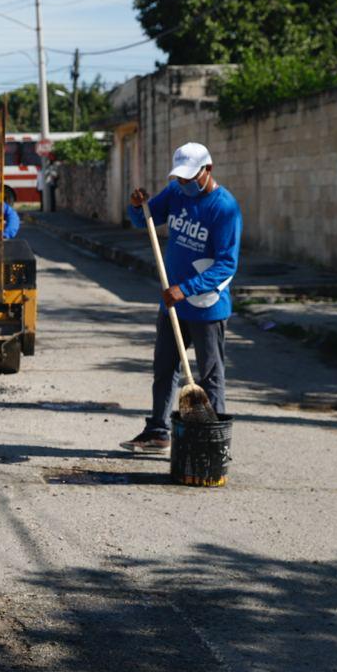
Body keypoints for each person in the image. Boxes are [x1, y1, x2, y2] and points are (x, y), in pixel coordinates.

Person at [120, 142, 242, 453]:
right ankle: (158, 431)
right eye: (180, 177)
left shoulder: (224, 208)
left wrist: (185, 289)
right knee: (164, 370)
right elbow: (143, 220)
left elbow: (227, 265)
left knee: (211, 377)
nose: (184, 184)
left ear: (208, 170)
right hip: (172, 303)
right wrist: (138, 206)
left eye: (190, 177)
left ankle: (212, 441)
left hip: (206, 307)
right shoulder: (175, 193)